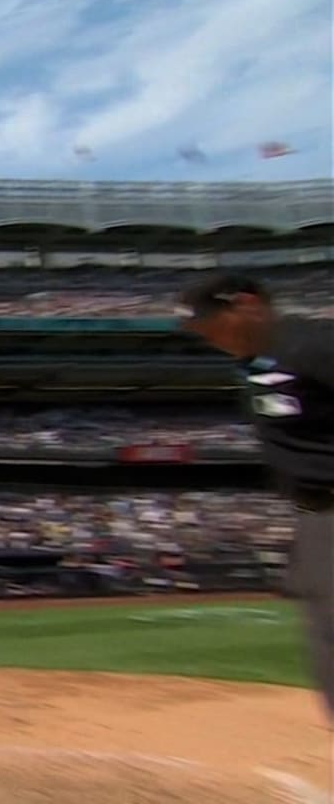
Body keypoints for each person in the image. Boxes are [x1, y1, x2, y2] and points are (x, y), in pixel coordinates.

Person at [177, 271, 334, 719]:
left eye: (212, 322)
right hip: (315, 514)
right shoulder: (258, 360)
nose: (207, 335)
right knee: (327, 636)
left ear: (247, 304)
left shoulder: (313, 345)